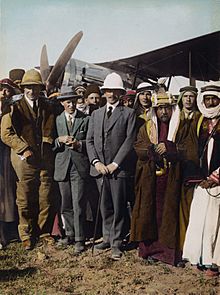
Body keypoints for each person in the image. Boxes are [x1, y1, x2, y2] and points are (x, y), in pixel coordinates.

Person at [130, 88, 189, 266]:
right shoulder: (146, 127)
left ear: (173, 109)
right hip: (151, 179)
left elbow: (189, 149)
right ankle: (149, 250)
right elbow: (138, 146)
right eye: (160, 108)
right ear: (155, 110)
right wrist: (152, 149)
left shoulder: (181, 127)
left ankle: (168, 253)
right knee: (149, 213)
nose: (164, 112)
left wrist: (171, 148)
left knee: (169, 215)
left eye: (167, 108)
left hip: (173, 180)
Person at [1, 69, 56, 250]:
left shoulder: (47, 105)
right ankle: (25, 234)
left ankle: (44, 232)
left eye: (35, 87)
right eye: (28, 87)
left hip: (44, 158)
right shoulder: (13, 107)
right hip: (23, 160)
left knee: (45, 197)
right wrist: (22, 148)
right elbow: (6, 133)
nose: (32, 91)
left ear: (41, 88)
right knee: (24, 198)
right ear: (23, 88)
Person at [86, 72, 136, 260]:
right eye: (108, 91)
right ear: (104, 92)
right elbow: (89, 140)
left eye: (115, 91)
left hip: (118, 170)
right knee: (104, 204)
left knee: (118, 205)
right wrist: (96, 163)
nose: (111, 95)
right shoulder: (96, 114)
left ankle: (116, 242)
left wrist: (115, 164)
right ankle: (107, 237)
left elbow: (129, 140)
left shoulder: (129, 114)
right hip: (100, 169)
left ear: (120, 93)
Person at [183, 82, 220, 276]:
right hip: (202, 181)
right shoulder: (202, 121)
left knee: (215, 223)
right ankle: (199, 257)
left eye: (214, 98)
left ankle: (214, 263)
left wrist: (215, 178)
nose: (211, 102)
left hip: (217, 182)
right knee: (199, 220)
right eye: (207, 99)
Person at [53, 87, 90, 254]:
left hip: (79, 167)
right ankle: (69, 234)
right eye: (68, 102)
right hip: (62, 166)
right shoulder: (57, 120)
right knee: (66, 203)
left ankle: (80, 239)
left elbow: (90, 143)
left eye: (74, 101)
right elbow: (51, 143)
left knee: (79, 203)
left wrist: (78, 145)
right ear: (62, 103)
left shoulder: (86, 119)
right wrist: (59, 140)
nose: (72, 105)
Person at [177, 86, 201, 252]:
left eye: (191, 97)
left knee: (191, 204)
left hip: (194, 166)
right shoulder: (175, 117)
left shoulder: (200, 118)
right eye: (185, 96)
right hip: (177, 165)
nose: (188, 100)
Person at [0, 78, 18, 248]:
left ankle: (6, 232)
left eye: (7, 90)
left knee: (6, 192)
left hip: (5, 153)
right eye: (1, 90)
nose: (3, 93)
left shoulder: (11, 110)